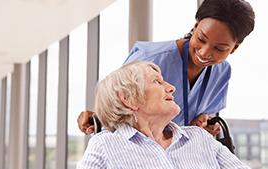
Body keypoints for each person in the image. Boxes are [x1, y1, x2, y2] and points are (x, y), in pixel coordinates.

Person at [59, 61, 268, 169]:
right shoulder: (106, 145)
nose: (171, 87)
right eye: (157, 82)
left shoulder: (199, 139)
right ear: (128, 99)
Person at [77, 0, 255, 136]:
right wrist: (98, 119)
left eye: (219, 49)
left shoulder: (222, 72)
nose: (205, 52)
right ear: (195, 26)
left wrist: (203, 125)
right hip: (139, 158)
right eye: (201, 38)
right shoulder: (150, 59)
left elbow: (205, 116)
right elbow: (116, 111)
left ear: (234, 48)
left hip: (181, 161)